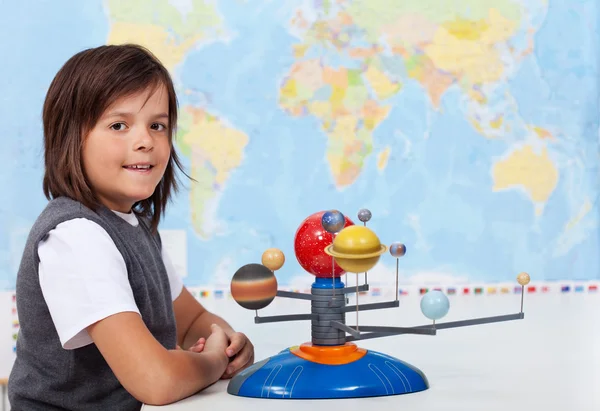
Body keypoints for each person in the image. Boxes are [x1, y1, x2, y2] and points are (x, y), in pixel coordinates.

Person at [8, 44, 254, 410]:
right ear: (70, 138)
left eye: (158, 125)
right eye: (119, 125)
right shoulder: (77, 237)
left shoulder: (135, 228)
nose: (145, 141)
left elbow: (191, 322)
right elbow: (155, 382)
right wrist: (212, 362)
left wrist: (227, 341)